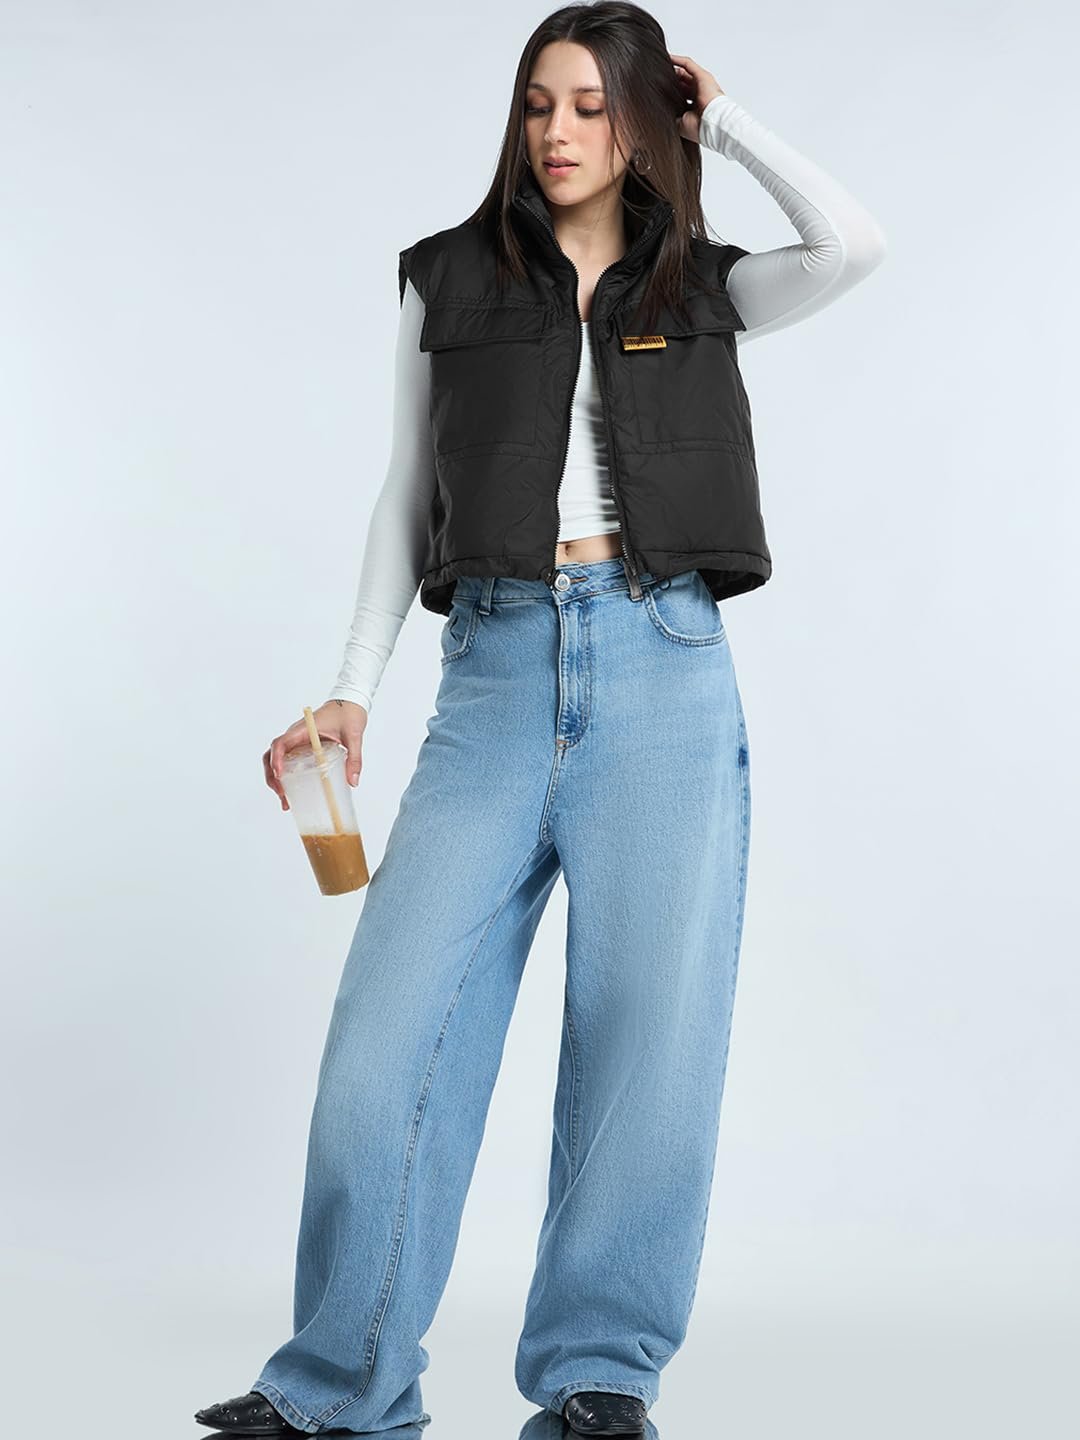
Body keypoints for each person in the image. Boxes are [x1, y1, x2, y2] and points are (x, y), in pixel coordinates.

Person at [195, 4, 886, 1437]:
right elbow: (407, 491)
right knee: (386, 1050)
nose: (558, 132)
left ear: (642, 121)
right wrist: (350, 686)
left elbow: (852, 244)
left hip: (664, 669)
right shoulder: (446, 278)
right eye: (537, 104)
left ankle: (596, 1379)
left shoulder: (703, 284)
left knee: (647, 1050)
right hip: (494, 678)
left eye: (590, 105)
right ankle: (342, 1387)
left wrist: (723, 121)